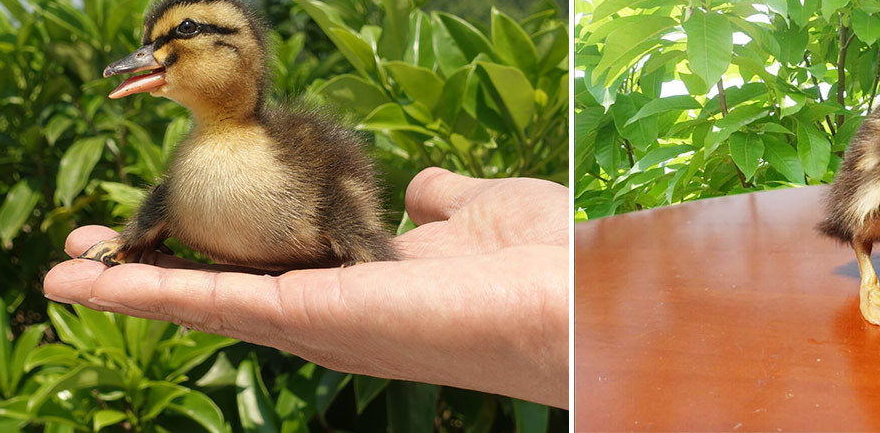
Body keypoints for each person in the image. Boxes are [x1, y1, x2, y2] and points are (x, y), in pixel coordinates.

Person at [43, 167, 570, 408]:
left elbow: (340, 204)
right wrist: (137, 240)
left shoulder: (312, 181)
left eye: (179, 37)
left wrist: (373, 262)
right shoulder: (187, 184)